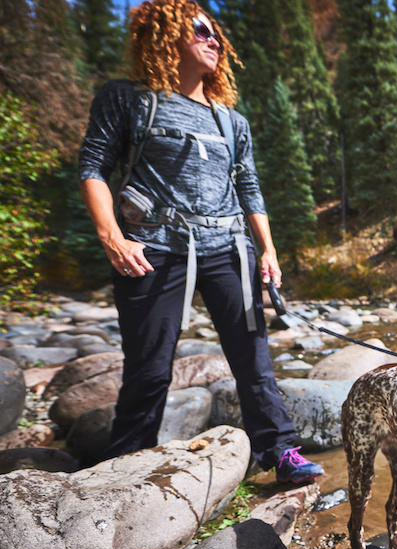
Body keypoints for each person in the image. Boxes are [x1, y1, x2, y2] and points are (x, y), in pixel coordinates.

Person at [78, 0, 323, 484]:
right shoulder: (128, 98)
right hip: (152, 247)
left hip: (230, 247)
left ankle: (279, 451)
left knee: (254, 360)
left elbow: (249, 188)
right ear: (164, 35)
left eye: (217, 36)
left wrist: (268, 251)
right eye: (200, 31)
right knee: (149, 369)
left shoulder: (232, 121)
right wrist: (112, 238)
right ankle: (124, 466)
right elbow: (92, 166)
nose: (214, 41)